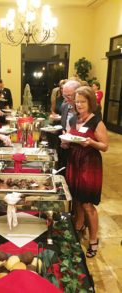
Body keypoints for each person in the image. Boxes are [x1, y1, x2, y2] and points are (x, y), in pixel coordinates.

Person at [61, 86, 108, 258]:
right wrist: (65, 142)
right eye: (77, 101)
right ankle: (78, 227)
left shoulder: (96, 121)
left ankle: (93, 240)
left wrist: (91, 142)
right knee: (76, 198)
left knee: (88, 204)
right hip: (74, 160)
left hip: (89, 162)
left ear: (90, 102)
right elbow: (70, 136)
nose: (79, 104)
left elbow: (105, 146)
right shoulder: (74, 119)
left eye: (82, 101)